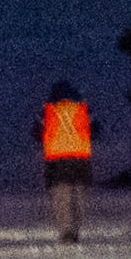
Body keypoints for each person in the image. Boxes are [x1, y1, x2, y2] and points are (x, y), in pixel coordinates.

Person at [37, 77, 96, 244]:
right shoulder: (84, 109)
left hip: (57, 161)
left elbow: (36, 132)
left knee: (61, 197)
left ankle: (65, 232)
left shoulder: (47, 111)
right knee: (78, 196)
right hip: (81, 159)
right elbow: (96, 130)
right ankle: (76, 230)